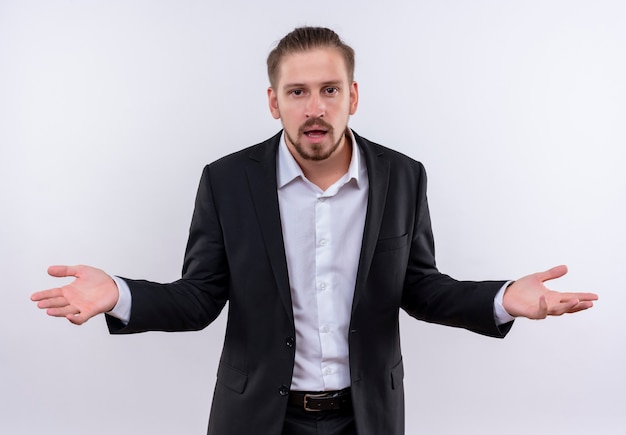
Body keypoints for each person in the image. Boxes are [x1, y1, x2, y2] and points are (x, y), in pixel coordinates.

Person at [31, 27, 598, 435]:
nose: (315, 107)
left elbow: (420, 287)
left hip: (368, 415)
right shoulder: (227, 181)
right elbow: (199, 298)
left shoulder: (403, 176)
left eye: (330, 90)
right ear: (274, 103)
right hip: (257, 417)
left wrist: (503, 299)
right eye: (297, 93)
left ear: (352, 96)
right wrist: (119, 295)